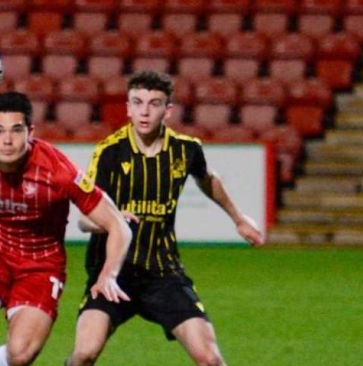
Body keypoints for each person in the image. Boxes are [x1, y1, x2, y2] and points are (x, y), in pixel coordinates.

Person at [65, 70, 265, 366]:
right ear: (128, 108)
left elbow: (208, 179)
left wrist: (238, 218)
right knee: (84, 354)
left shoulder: (186, 150)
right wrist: (113, 220)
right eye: (138, 102)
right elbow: (84, 220)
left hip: (163, 273)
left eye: (154, 103)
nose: (145, 111)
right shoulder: (109, 153)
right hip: (112, 273)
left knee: (210, 358)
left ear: (167, 110)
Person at [0, 92, 132, 366]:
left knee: (21, 354)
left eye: (16, 130)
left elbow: (118, 225)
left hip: (42, 265)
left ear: (30, 131)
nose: (7, 140)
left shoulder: (58, 171)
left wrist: (108, 275)